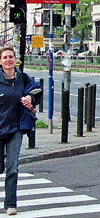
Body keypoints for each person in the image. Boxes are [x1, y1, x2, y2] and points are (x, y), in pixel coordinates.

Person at [0, 46, 41, 216]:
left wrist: (30, 98)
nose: (8, 60)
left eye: (11, 57)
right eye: (5, 57)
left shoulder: (22, 78)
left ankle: (10, 204)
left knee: (12, 167)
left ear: (15, 59)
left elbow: (36, 88)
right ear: (0, 61)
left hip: (16, 128)